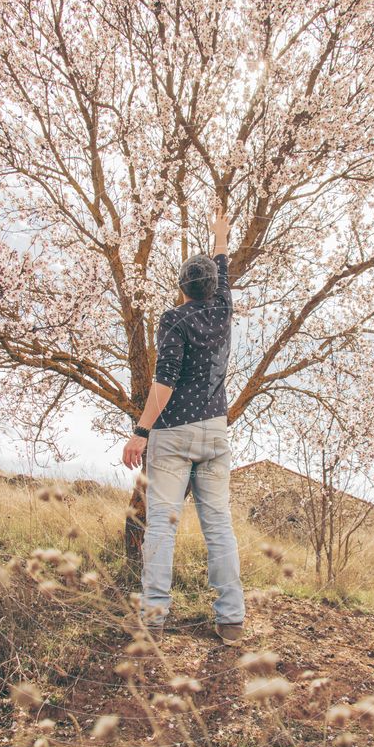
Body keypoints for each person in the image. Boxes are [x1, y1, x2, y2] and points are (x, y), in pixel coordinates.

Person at [122, 209, 245, 646]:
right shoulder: (224, 309)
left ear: (181, 287)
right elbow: (224, 270)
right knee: (219, 526)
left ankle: (154, 618)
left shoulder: (174, 319)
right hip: (216, 432)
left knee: (161, 527)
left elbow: (165, 381)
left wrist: (141, 430)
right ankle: (231, 620)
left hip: (173, 433)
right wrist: (220, 237)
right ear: (214, 287)